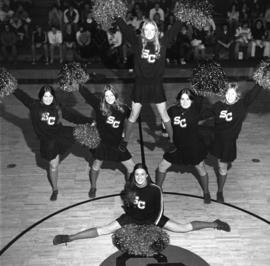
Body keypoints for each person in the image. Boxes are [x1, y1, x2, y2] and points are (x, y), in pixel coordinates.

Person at [53, 163, 230, 246]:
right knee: (105, 229)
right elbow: (129, 208)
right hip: (133, 218)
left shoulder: (155, 189)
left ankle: (215, 223)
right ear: (134, 176)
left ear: (146, 175)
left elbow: (160, 211)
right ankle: (69, 238)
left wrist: (150, 226)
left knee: (182, 228)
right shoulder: (128, 189)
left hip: (153, 219)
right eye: (136, 174)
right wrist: (132, 222)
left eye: (141, 174)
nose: (139, 177)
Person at [115, 15, 183, 152]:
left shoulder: (162, 43)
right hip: (140, 84)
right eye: (147, 29)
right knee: (133, 114)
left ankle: (172, 142)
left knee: (163, 114)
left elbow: (174, 30)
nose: (149, 32)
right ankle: (124, 141)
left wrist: (183, 18)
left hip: (156, 84)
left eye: (152, 30)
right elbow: (126, 30)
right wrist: (117, 16)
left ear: (156, 31)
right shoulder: (137, 42)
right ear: (143, 31)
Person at [11, 85, 90, 201]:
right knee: (53, 166)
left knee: (80, 132)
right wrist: (10, 85)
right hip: (48, 142)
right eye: (45, 96)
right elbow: (21, 95)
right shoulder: (34, 106)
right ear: (41, 97)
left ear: (53, 97)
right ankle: (55, 189)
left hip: (60, 134)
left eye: (50, 96)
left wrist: (89, 121)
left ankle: (97, 148)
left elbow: (73, 116)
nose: (48, 98)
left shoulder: (57, 107)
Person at [202, 82, 263, 203]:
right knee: (214, 163)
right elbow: (202, 115)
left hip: (228, 144)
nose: (230, 96)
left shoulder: (242, 105)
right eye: (228, 93)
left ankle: (220, 191)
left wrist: (261, 81)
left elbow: (253, 94)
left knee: (222, 169)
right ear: (225, 94)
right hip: (217, 141)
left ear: (237, 95)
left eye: (233, 94)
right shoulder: (218, 106)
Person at [78, 84, 135, 198]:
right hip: (102, 143)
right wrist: (78, 84)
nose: (109, 97)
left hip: (117, 144)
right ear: (104, 97)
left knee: (131, 167)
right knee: (96, 164)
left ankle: (129, 188)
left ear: (116, 95)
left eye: (111, 95)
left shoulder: (124, 108)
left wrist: (125, 137)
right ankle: (93, 187)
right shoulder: (99, 105)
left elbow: (133, 118)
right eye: (107, 95)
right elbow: (87, 95)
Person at [156, 88, 211, 204]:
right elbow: (165, 123)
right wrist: (164, 131)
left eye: (188, 99)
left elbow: (203, 101)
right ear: (179, 100)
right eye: (182, 99)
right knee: (161, 167)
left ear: (192, 100)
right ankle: (158, 189)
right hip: (176, 147)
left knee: (201, 168)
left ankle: (206, 192)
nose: (185, 101)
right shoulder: (172, 110)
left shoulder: (197, 111)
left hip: (193, 147)